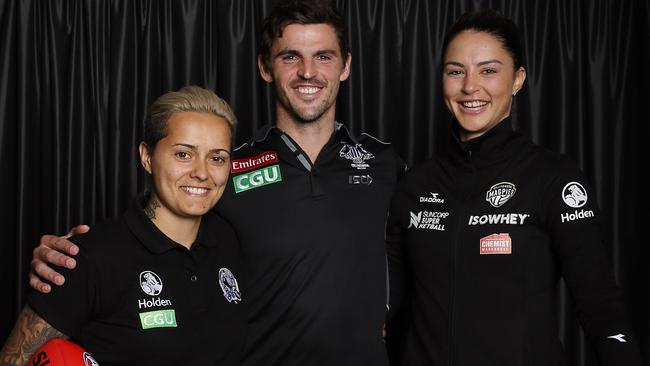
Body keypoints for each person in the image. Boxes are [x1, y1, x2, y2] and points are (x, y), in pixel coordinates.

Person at [28, 1, 406, 365]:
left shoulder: (386, 164)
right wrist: (73, 264)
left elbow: (420, 250)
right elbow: (155, 237)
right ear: (264, 66)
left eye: (324, 56)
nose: (308, 71)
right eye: (290, 56)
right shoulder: (227, 168)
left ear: (346, 66)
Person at [385, 10, 642, 366]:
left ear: (518, 78)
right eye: (455, 71)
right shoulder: (415, 184)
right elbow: (384, 303)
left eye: (488, 71)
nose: (470, 87)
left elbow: (600, 304)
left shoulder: (554, 178)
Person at [1, 86, 247, 365]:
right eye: (183, 154)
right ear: (146, 156)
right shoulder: (88, 258)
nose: (202, 173)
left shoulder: (230, 240)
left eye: (217, 158)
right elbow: (13, 360)